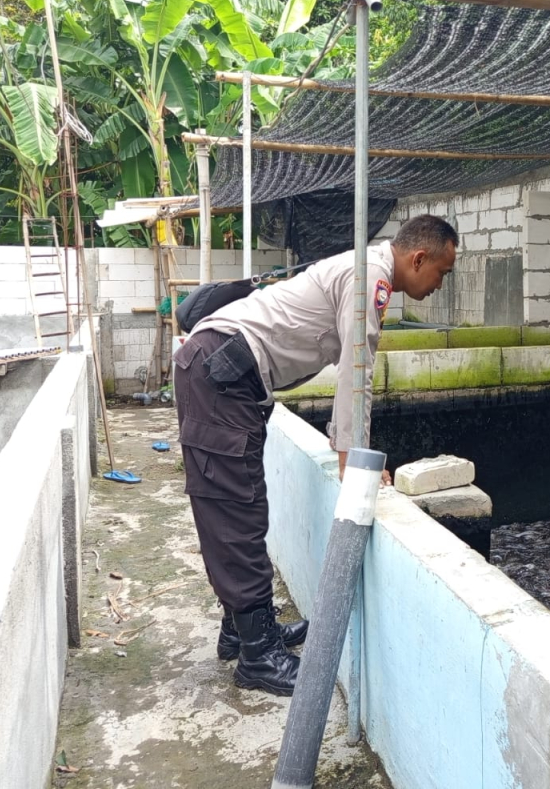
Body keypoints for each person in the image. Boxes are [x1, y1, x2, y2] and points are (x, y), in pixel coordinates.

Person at [173, 214, 458, 695]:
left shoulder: (365, 268)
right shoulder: (371, 278)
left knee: (238, 505)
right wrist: (352, 453)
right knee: (236, 510)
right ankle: (259, 655)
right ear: (418, 258)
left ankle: (241, 630)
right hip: (221, 370)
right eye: (442, 273)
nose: (440, 284)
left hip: (227, 372)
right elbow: (357, 365)